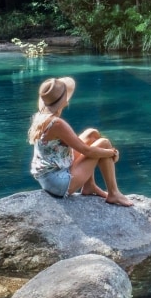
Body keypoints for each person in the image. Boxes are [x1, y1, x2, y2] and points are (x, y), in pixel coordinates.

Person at [28, 76, 133, 205]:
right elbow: (86, 151)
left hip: (49, 176)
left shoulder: (41, 117)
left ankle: (90, 186)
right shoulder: (57, 124)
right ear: (65, 101)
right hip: (58, 183)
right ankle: (114, 193)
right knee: (103, 143)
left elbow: (74, 146)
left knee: (92, 134)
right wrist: (112, 152)